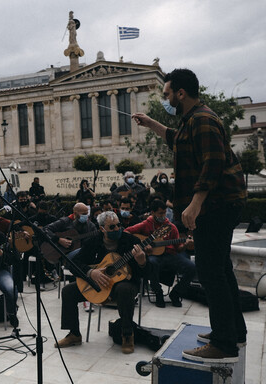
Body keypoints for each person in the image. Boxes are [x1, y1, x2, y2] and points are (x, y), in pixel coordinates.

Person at [133, 68, 247, 363]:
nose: (166, 98)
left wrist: (195, 204)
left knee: (211, 273)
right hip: (219, 205)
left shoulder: (203, 119)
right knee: (221, 269)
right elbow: (175, 138)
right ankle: (234, 331)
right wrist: (150, 123)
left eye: (168, 93)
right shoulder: (191, 121)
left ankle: (223, 344)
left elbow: (213, 163)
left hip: (216, 206)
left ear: (181, 93)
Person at [56, 211, 147, 354]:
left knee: (124, 289)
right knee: (68, 291)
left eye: (118, 225)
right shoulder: (92, 241)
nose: (116, 229)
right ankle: (74, 334)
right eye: (111, 227)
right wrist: (91, 272)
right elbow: (74, 263)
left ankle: (127, 334)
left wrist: (142, 262)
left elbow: (145, 273)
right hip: (98, 285)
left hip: (123, 285)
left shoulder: (131, 241)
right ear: (102, 229)